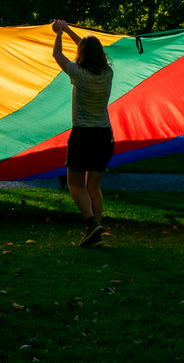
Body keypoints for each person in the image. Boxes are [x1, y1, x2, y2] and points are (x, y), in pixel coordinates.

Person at [52, 19, 114, 248]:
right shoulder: (108, 73)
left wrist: (59, 32)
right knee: (94, 187)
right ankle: (95, 236)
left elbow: (57, 54)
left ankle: (90, 223)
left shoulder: (78, 74)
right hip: (104, 137)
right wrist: (69, 30)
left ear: (82, 55)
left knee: (75, 184)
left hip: (83, 136)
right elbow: (89, 51)